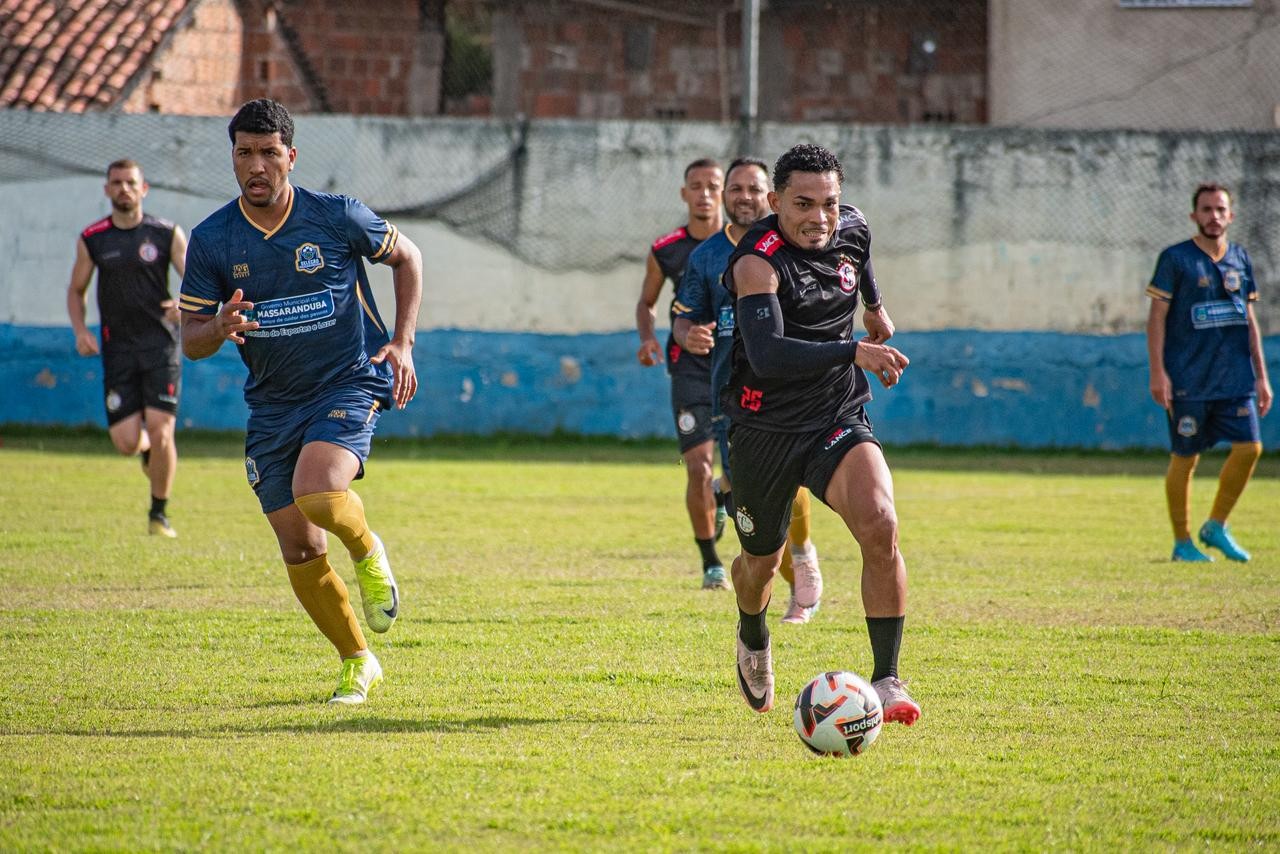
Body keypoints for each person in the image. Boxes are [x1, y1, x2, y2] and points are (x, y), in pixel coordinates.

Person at [178, 99, 423, 705]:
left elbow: (408, 256)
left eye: (268, 152)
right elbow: (191, 341)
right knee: (300, 545)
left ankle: (368, 551)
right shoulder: (212, 240)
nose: (256, 165)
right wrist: (220, 326)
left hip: (348, 381)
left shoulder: (336, 216)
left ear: (290, 156)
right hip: (272, 406)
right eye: (244, 153)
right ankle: (358, 662)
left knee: (318, 491)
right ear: (233, 158)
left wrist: (402, 342)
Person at [720, 143, 920, 725]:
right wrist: (854, 349)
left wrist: (875, 306)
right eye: (803, 204)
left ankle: (887, 678)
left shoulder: (851, 225)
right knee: (760, 564)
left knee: (881, 523)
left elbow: (860, 255)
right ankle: (753, 631)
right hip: (764, 426)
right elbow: (767, 354)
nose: (820, 217)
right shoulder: (757, 262)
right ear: (775, 202)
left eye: (828, 203)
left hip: (836, 414)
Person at [672, 156, 824, 622]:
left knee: (792, 478)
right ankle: (786, 585)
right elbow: (683, 317)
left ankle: (803, 562)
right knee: (752, 502)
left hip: (788, 388)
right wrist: (687, 335)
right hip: (734, 395)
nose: (744, 197)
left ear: (771, 197)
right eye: (736, 189)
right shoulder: (706, 256)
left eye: (753, 189)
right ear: (725, 196)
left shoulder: (790, 246)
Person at [1146, 183, 1272, 563]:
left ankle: (1216, 525)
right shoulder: (1175, 259)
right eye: (1206, 209)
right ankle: (1182, 542)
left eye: (1220, 209)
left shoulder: (1240, 259)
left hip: (1235, 378)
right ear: (1194, 216)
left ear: (1231, 215)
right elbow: (1156, 318)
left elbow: (1249, 320)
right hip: (1189, 379)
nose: (1213, 216)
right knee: (1186, 457)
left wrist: (1262, 376)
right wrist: (1158, 372)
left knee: (1250, 448)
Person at [67, 159, 188, 538]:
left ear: (143, 188)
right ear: (107, 190)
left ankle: (159, 515)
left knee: (162, 429)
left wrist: (185, 305)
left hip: (160, 347)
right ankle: (148, 452)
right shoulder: (93, 238)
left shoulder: (166, 233)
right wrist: (80, 331)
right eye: (117, 183)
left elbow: (196, 281)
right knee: (126, 442)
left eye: (131, 182)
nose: (124, 189)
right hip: (117, 349)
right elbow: (76, 290)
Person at [635, 158, 732, 589]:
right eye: (696, 186)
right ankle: (711, 563)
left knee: (740, 467)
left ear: (723, 192)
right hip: (689, 369)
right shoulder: (667, 249)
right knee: (698, 466)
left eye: (713, 186)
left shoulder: (745, 243)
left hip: (738, 367)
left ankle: (723, 494)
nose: (705, 194)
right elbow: (647, 303)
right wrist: (648, 339)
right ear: (684, 193)